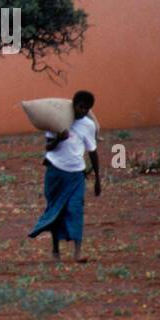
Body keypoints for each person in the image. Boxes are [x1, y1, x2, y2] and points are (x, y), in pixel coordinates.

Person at [29, 90, 100, 262]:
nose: (83, 111)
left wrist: (98, 177)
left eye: (87, 108)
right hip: (56, 172)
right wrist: (59, 139)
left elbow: (92, 150)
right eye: (81, 106)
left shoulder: (88, 125)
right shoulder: (58, 120)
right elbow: (48, 148)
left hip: (77, 174)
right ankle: (55, 251)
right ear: (74, 105)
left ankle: (78, 252)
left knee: (76, 210)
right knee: (56, 211)